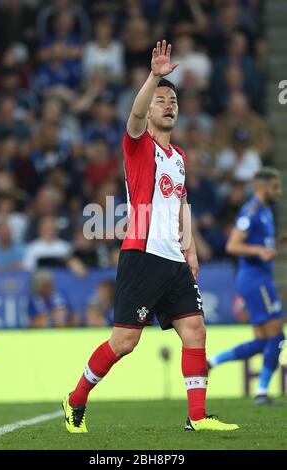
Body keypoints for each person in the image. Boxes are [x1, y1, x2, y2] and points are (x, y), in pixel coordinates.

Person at [62, 40, 238, 433]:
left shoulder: (178, 156)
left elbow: (181, 204)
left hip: (174, 258)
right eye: (161, 100)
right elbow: (136, 113)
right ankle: (76, 398)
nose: (168, 105)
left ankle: (197, 417)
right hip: (142, 255)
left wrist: (190, 249)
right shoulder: (137, 145)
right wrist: (155, 76)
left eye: (172, 101)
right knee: (125, 342)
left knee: (195, 331)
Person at [208, 168, 286, 405]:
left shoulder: (265, 211)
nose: (279, 192)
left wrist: (274, 242)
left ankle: (212, 362)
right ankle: (261, 391)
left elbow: (259, 242)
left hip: (259, 278)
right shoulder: (251, 211)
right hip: (255, 280)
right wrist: (259, 250)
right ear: (262, 188)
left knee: (264, 341)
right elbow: (232, 245)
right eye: (275, 187)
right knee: (277, 336)